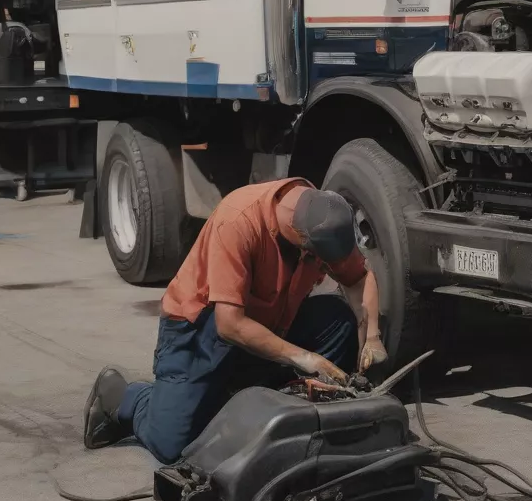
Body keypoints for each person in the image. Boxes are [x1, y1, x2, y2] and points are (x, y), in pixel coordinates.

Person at [82, 179, 388, 464]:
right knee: (171, 445)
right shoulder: (239, 220)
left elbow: (360, 279)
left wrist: (372, 336)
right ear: (301, 239)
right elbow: (229, 324)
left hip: (271, 324)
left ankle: (269, 407)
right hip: (202, 332)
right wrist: (305, 358)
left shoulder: (324, 217)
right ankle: (124, 396)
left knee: (338, 323)